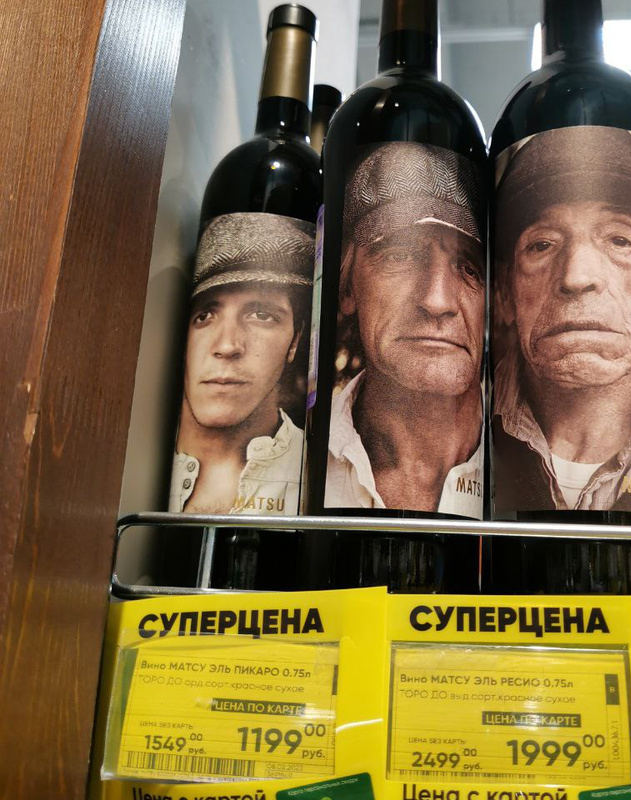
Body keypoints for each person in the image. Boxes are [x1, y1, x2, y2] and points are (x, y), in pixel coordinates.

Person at [492, 126, 631, 514]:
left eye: (619, 240)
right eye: (542, 245)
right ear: (505, 294)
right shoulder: (468, 434)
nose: (576, 276)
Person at [325, 142, 486, 519]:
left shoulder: (526, 466)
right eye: (400, 255)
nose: (437, 300)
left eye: (469, 267)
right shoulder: (305, 449)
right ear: (348, 289)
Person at [170, 213, 314, 515]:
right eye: (204, 316)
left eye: (262, 315)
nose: (227, 346)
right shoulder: (133, 455)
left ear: (295, 341)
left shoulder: (329, 469)